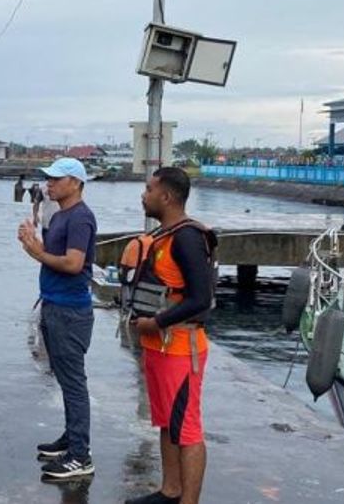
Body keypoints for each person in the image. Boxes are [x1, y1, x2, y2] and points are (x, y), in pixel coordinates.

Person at [127, 167, 216, 504]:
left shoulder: (188, 238)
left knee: (187, 428)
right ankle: (170, 490)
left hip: (181, 348)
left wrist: (158, 322)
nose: (143, 194)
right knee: (167, 421)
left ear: (166, 196)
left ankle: (188, 500)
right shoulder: (166, 235)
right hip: (160, 348)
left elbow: (200, 298)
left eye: (149, 189)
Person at [17, 157, 97, 481]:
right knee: (65, 379)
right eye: (48, 179)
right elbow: (52, 257)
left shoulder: (80, 218)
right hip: (54, 305)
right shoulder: (62, 215)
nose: (48, 184)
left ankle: (80, 455)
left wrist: (35, 251)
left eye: (55, 179)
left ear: (75, 183)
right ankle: (71, 438)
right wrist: (33, 241)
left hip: (69, 311)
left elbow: (73, 264)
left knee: (74, 383)